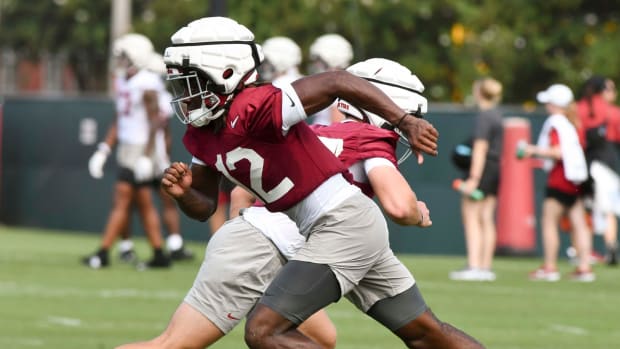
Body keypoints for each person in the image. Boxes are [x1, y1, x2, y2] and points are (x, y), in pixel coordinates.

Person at [155, 16, 483, 349]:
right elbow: (399, 206)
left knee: (265, 331)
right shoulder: (364, 136)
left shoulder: (289, 118)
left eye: (190, 82)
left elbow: (241, 194)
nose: (184, 94)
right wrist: (184, 195)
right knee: (428, 335)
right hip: (330, 229)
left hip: (332, 229)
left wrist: (403, 122)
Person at [116, 56, 431, 349]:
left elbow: (241, 195)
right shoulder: (371, 139)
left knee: (322, 338)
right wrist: (418, 212)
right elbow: (399, 206)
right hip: (273, 246)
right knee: (178, 343)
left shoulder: (313, 131)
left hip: (283, 244)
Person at [83, 33, 171, 269]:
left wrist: (146, 155)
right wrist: (104, 148)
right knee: (142, 202)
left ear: (137, 57)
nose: (120, 60)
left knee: (122, 199)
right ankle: (159, 254)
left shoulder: (147, 83)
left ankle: (102, 253)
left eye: (124, 55)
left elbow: (155, 122)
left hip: (141, 147)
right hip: (127, 146)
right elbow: (120, 118)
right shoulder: (124, 81)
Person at [521, 84, 594, 282]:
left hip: (561, 177)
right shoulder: (574, 122)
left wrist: (531, 150)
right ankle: (585, 267)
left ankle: (550, 267)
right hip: (576, 179)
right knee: (579, 222)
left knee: (549, 220)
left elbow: (557, 151)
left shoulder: (557, 122)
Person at [449, 78, 504, 282]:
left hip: (482, 170)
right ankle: (485, 267)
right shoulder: (497, 116)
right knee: (487, 218)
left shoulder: (484, 117)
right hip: (495, 170)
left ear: (480, 92)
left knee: (471, 216)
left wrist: (473, 178)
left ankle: (474, 265)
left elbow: (480, 148)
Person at [577, 76, 619, 266]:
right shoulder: (612, 112)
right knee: (607, 208)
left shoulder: (580, 109)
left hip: (587, 162)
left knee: (587, 207)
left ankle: (586, 250)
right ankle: (608, 246)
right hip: (607, 163)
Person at [307, 33, 353, 125]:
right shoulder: (342, 81)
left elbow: (336, 125)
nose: (316, 65)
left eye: (318, 60)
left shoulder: (336, 86)